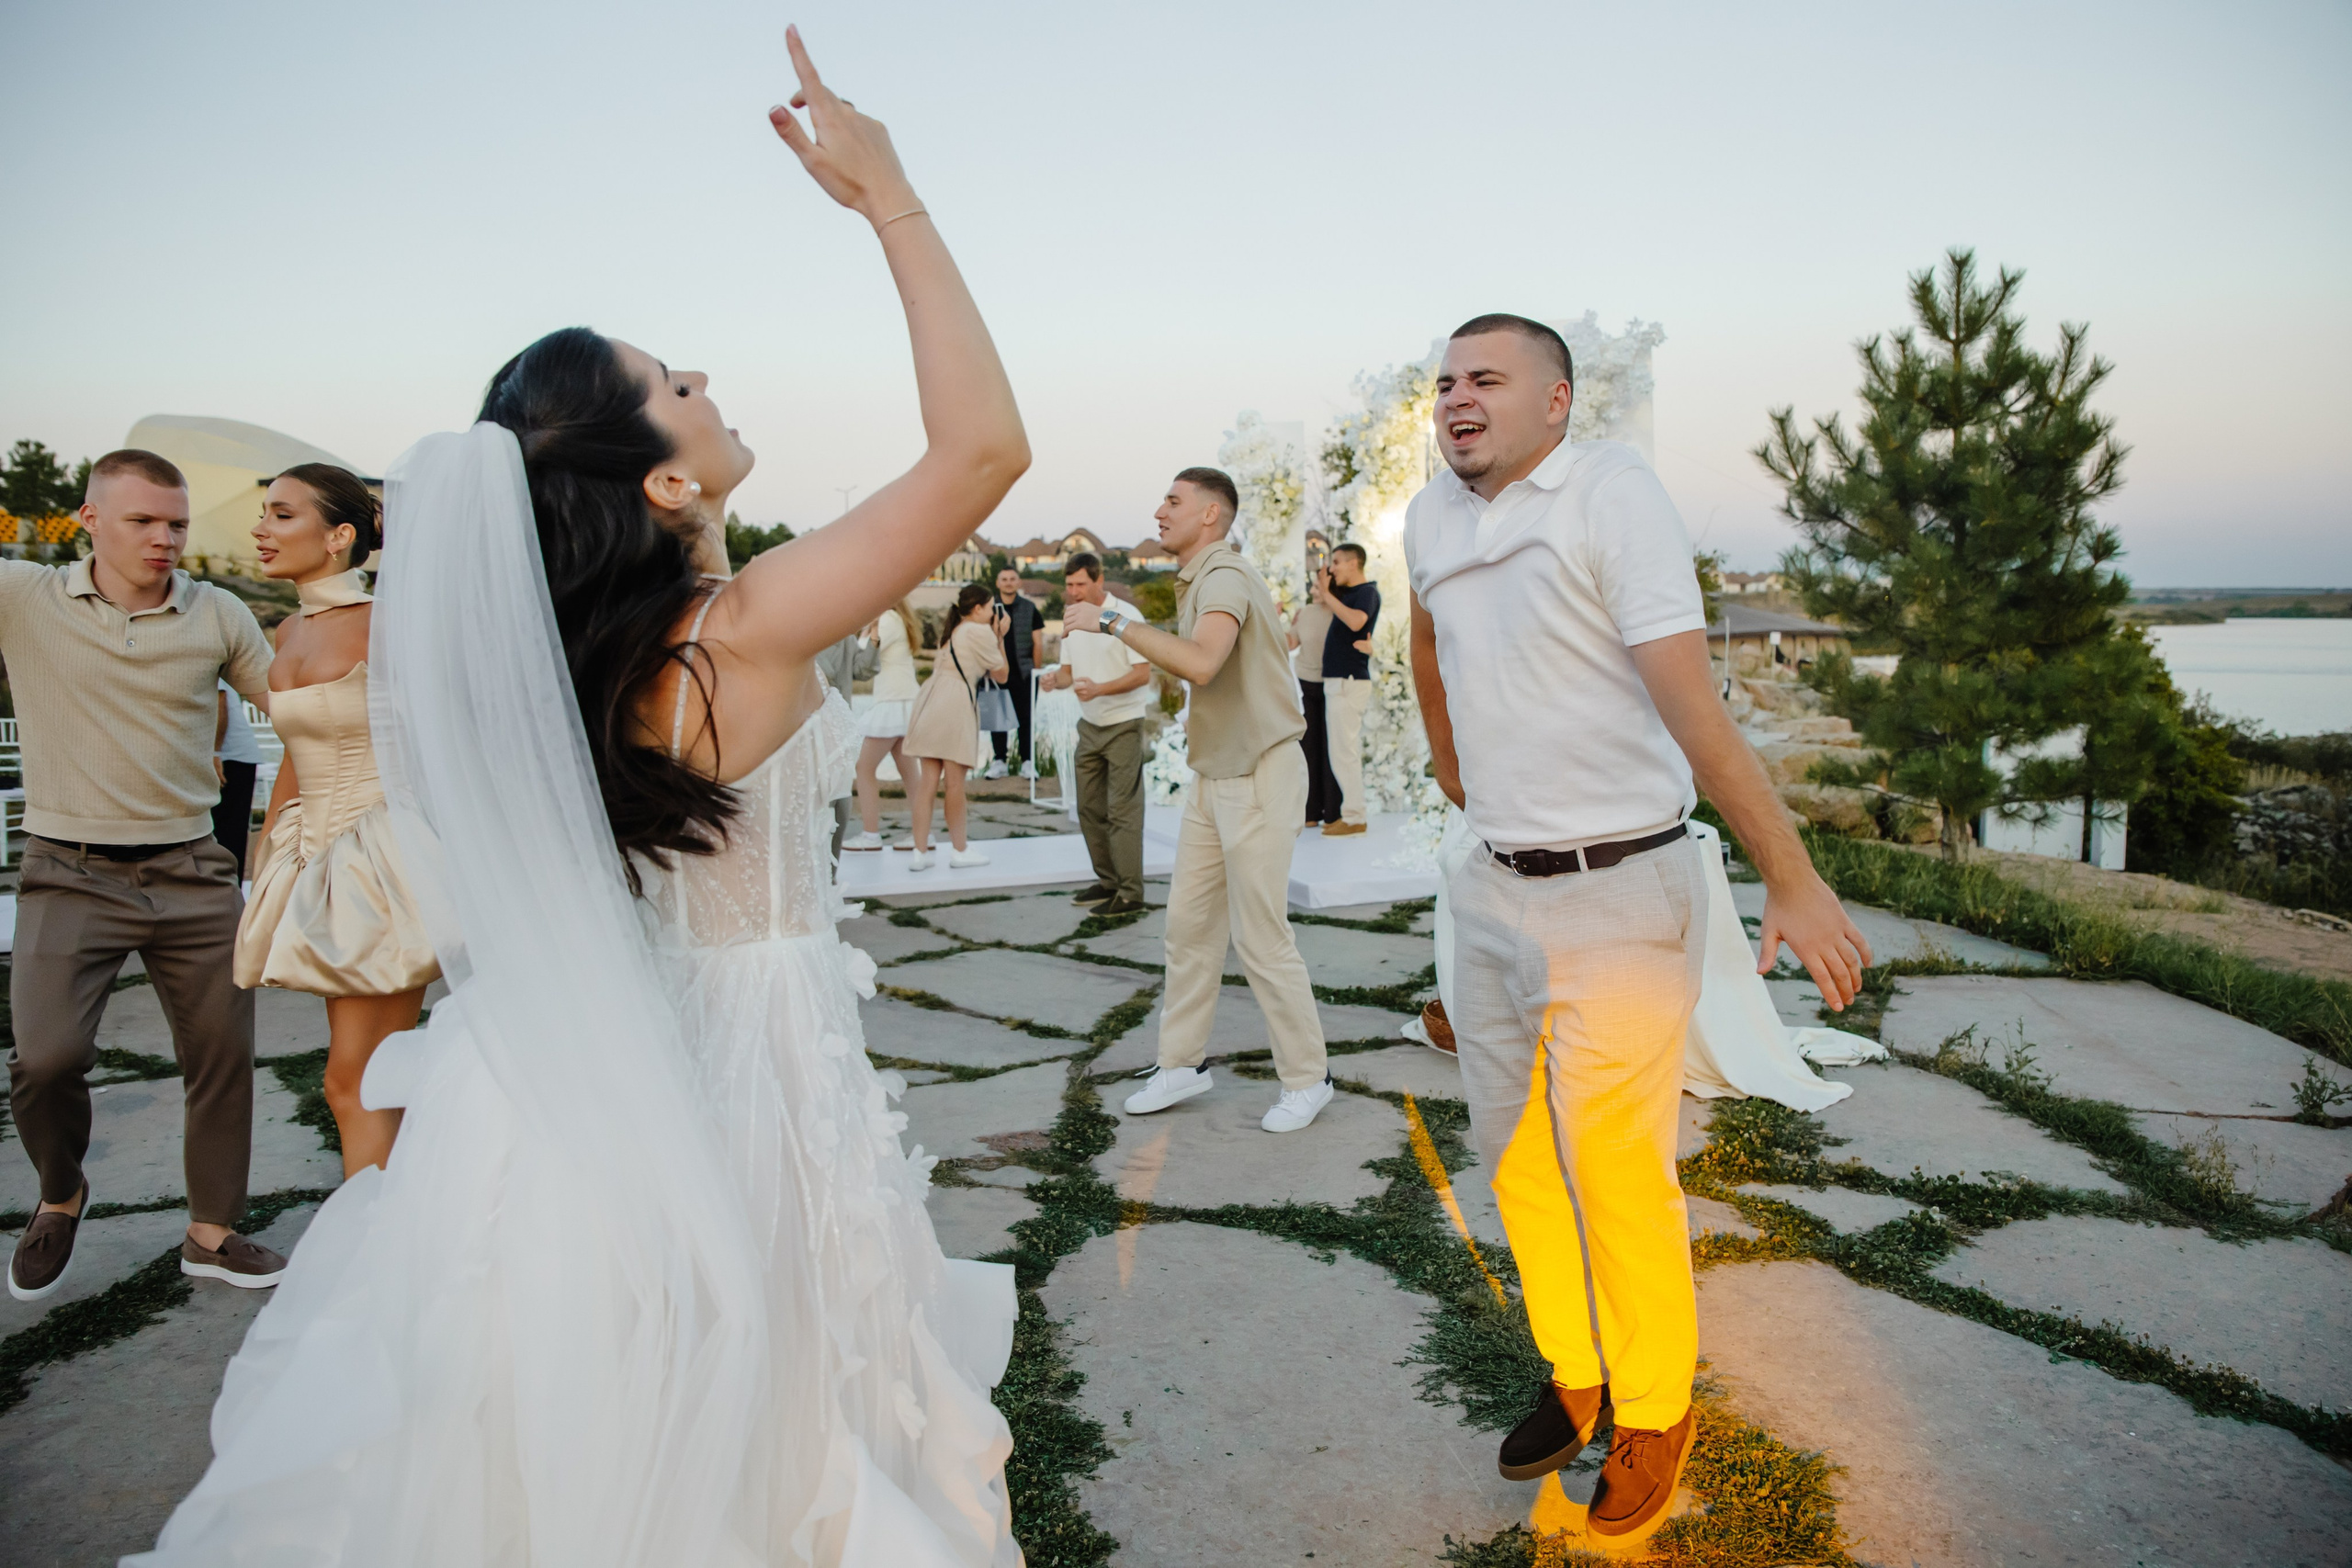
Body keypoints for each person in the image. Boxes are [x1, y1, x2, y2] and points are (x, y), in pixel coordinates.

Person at [131, 32, 1032, 1564]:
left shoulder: (589, 656)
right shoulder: (730, 635)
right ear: (662, 485)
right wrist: (892, 200)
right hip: (750, 1063)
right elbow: (985, 451)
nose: (707, 380)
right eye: (675, 384)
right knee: (781, 1390)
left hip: (644, 1042)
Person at [1406, 312, 1871, 1549]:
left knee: (1615, 1169)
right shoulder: (1431, 516)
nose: (1458, 398)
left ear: (1557, 401)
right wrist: (1452, 757)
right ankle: (1575, 1369)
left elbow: (1690, 696)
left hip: (1620, 890)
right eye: (1446, 380)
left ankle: (1656, 1406)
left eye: (1486, 379)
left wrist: (1793, 870)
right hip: (1491, 887)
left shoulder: (1613, 494)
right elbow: (1426, 636)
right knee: (1510, 1159)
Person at [2, 449, 286, 1304]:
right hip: (67, 869)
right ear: (88, 520)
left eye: (177, 524)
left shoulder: (219, 611)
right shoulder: (25, 597)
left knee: (223, 1056)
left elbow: (294, 701)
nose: (165, 540)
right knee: (46, 1060)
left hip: (193, 868)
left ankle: (211, 1229)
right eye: (143, 521)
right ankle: (61, 1192)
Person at [1067, 468, 1331, 1134]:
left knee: (1261, 937)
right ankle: (1181, 1064)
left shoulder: (1223, 576)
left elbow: (1204, 661)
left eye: (1174, 501)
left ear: (1211, 515)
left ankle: (1308, 1078)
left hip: (1260, 775)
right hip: (1217, 778)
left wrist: (1112, 621)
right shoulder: (1205, 577)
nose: (1160, 510)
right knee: (1188, 929)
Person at [235, 464, 439, 1179]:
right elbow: (298, 747)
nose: (261, 528)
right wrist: (270, 848)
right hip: (316, 858)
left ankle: (381, 1250)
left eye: (282, 514)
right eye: (265, 512)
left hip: (381, 863)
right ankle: (403, 1222)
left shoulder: (387, 627)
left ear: (339, 536)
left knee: (353, 1080)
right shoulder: (289, 628)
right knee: (366, 1078)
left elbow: (444, 745)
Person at [1044, 551, 1149, 915]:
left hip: (1124, 724)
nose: (1073, 592)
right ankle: (1108, 882)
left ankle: (1132, 894)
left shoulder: (1127, 617)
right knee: (1088, 808)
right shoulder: (1071, 620)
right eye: (1069, 585)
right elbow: (1068, 673)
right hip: (1089, 726)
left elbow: (1142, 674)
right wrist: (1053, 680)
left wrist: (1101, 689)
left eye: (1080, 584)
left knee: (1122, 811)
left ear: (1099, 580)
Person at [903, 583, 1007, 870]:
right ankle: (960, 851)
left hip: (931, 700)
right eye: (990, 607)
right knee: (954, 784)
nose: (992, 613)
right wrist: (1000, 636)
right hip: (955, 702)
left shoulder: (953, 631)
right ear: (977, 609)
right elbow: (1002, 674)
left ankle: (919, 853)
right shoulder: (978, 631)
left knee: (928, 783)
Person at [1311, 541, 1380, 836]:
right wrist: (1325, 587)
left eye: (1337, 562)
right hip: (1338, 681)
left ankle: (1355, 816)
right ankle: (1351, 813)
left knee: (1344, 751)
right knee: (1340, 751)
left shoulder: (1367, 592)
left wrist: (1328, 595)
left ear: (1354, 563)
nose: (1333, 567)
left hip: (1348, 680)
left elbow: (1356, 622)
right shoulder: (1347, 593)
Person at [844, 597, 920, 851]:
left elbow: (862, 653)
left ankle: (870, 835)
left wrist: (866, 628)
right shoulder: (898, 619)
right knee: (910, 774)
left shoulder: (887, 620)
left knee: (864, 767)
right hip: (904, 700)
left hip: (893, 702)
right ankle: (923, 834)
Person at [1288, 556, 1340, 829]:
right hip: (1306, 683)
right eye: (1312, 587)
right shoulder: (1305, 613)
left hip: (1333, 684)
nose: (1313, 592)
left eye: (1318, 587)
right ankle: (1310, 812)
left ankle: (1333, 813)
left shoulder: (1340, 611)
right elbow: (1290, 641)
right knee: (1308, 748)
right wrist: (1275, 622)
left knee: (1331, 748)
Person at [981, 566, 1043, 778]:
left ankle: (1027, 762)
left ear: (1019, 583)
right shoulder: (988, 610)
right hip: (995, 673)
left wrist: (1037, 671)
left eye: (1012, 579)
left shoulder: (1029, 607)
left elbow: (1038, 642)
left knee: (1026, 719)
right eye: (1004, 579)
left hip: (1024, 672)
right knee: (997, 719)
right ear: (997, 583)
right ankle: (1000, 762)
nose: (1008, 582)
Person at [210, 678, 263, 874]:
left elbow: (219, 700)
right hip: (221, 756)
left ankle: (231, 897)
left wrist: (215, 754)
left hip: (229, 758)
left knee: (228, 837)